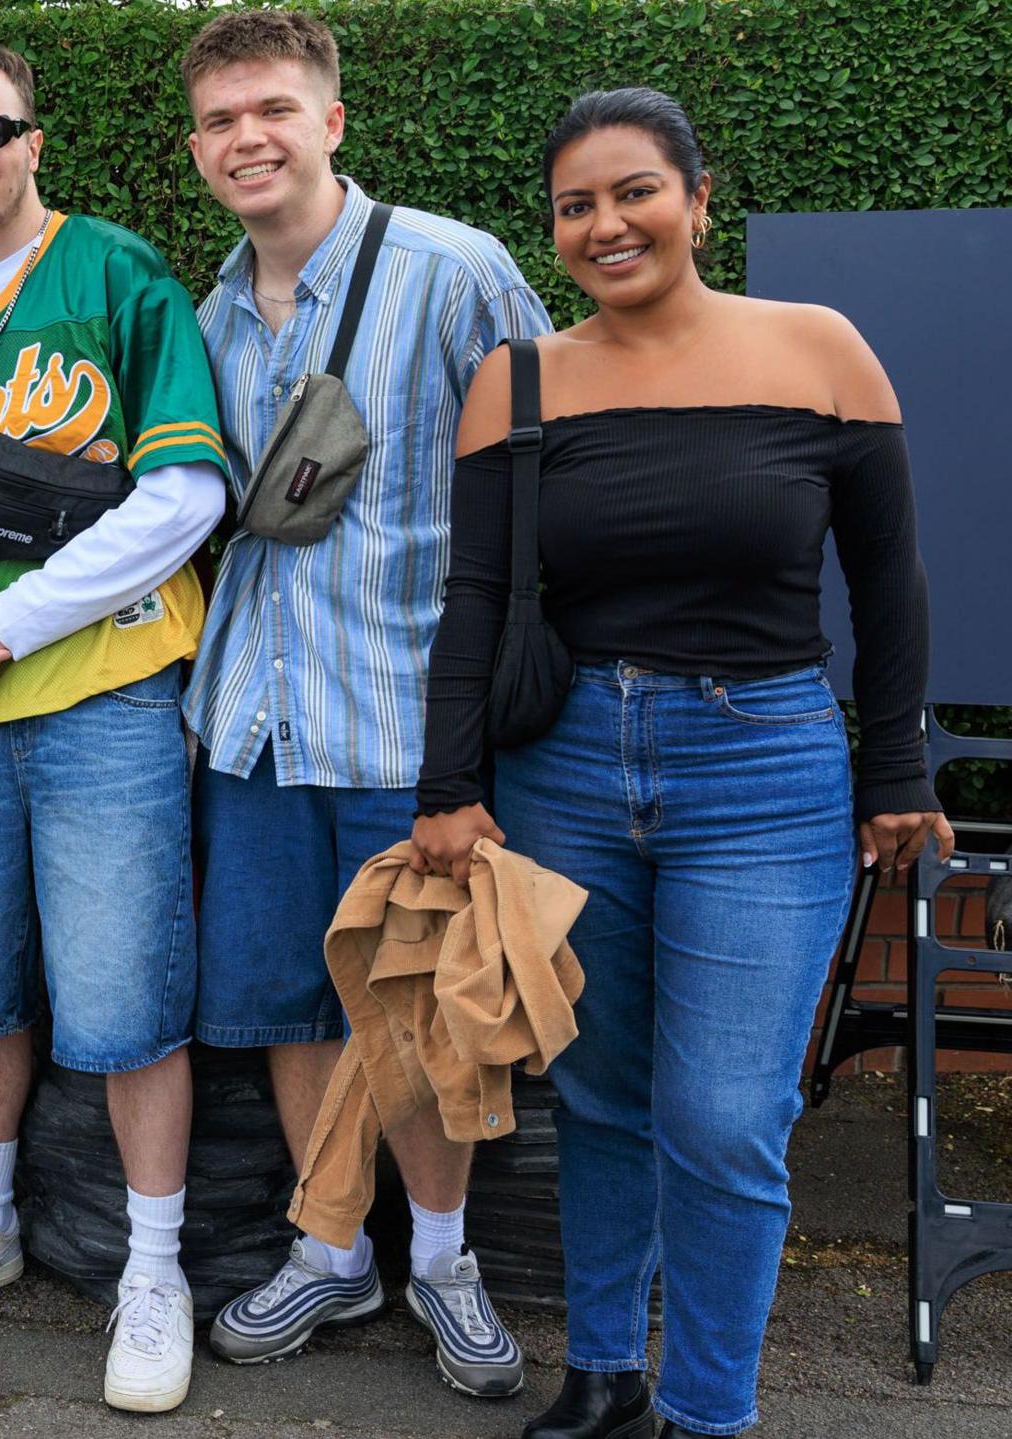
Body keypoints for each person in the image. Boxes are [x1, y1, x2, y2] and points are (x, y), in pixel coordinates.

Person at [413, 88, 950, 1439]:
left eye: (635, 191)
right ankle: (604, 1373)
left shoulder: (821, 352)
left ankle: (710, 1409)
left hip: (762, 767)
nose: (607, 223)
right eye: (576, 205)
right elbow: (474, 596)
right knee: (595, 1091)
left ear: (699, 200)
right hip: (569, 766)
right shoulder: (518, 380)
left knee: (721, 1115)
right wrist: (447, 785)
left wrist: (900, 768)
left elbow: (889, 585)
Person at [175, 9, 548, 1395]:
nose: (246, 138)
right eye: (219, 119)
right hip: (251, 728)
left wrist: (485, 740)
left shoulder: (457, 273)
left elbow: (538, 494)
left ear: (331, 120)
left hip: (408, 727)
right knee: (284, 1004)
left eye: (271, 108)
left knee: (419, 1010)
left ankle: (442, 1255)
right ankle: (332, 1250)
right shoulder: (204, 312)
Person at [0, 48, 229, 1414]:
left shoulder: (119, 275)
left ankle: (154, 1264)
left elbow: (184, 492)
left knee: (128, 997)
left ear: (32, 141)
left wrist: (4, 623)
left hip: (104, 695)